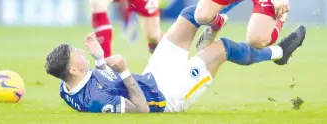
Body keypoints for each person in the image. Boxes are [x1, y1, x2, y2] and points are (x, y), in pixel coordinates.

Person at [45, 11, 306, 113]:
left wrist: (99, 58)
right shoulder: (97, 103)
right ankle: (279, 54)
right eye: (77, 53)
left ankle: (206, 40)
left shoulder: (67, 85)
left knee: (191, 16)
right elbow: (142, 110)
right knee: (223, 49)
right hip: (166, 95)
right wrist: (124, 71)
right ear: (73, 68)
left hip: (151, 76)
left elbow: (105, 83)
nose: (81, 51)